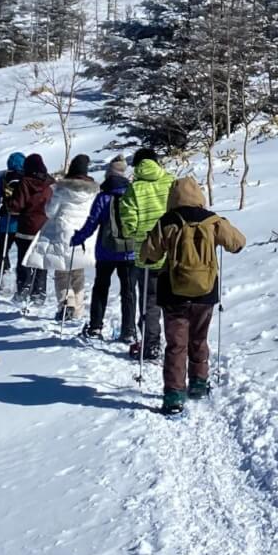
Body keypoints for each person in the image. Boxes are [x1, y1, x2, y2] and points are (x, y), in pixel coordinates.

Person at [137, 175, 245, 416]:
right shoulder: (213, 221)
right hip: (205, 292)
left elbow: (148, 255)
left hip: (173, 293)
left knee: (176, 345)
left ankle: (174, 395)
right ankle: (198, 383)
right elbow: (238, 244)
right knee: (199, 339)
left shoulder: (168, 221)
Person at [26, 153, 100, 323]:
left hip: (63, 234)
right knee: (78, 273)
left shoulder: (61, 189)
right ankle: (78, 310)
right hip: (85, 236)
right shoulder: (93, 191)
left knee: (62, 273)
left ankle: (66, 304)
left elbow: (50, 211)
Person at [118, 147, 175, 361]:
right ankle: (175, 345)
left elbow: (128, 221)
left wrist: (133, 233)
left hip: (146, 254)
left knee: (149, 302)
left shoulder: (135, 188)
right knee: (172, 301)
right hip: (171, 252)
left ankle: (151, 345)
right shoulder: (171, 181)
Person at [75, 156, 136, 340]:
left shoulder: (103, 197)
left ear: (108, 176)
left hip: (105, 251)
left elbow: (92, 222)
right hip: (129, 251)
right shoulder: (132, 195)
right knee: (129, 291)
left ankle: (95, 327)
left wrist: (78, 237)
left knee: (101, 288)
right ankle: (128, 331)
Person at [10, 154, 54, 304]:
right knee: (41, 261)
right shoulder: (49, 183)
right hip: (44, 228)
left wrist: (10, 206)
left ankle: (23, 289)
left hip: (26, 227)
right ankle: (39, 292)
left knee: (24, 260)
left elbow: (17, 205)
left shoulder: (24, 182)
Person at [0, 152, 26, 282]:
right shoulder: (27, 179)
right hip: (24, 223)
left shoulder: (3, 178)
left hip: (6, 222)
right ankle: (23, 280)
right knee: (23, 252)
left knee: (2, 250)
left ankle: (4, 278)